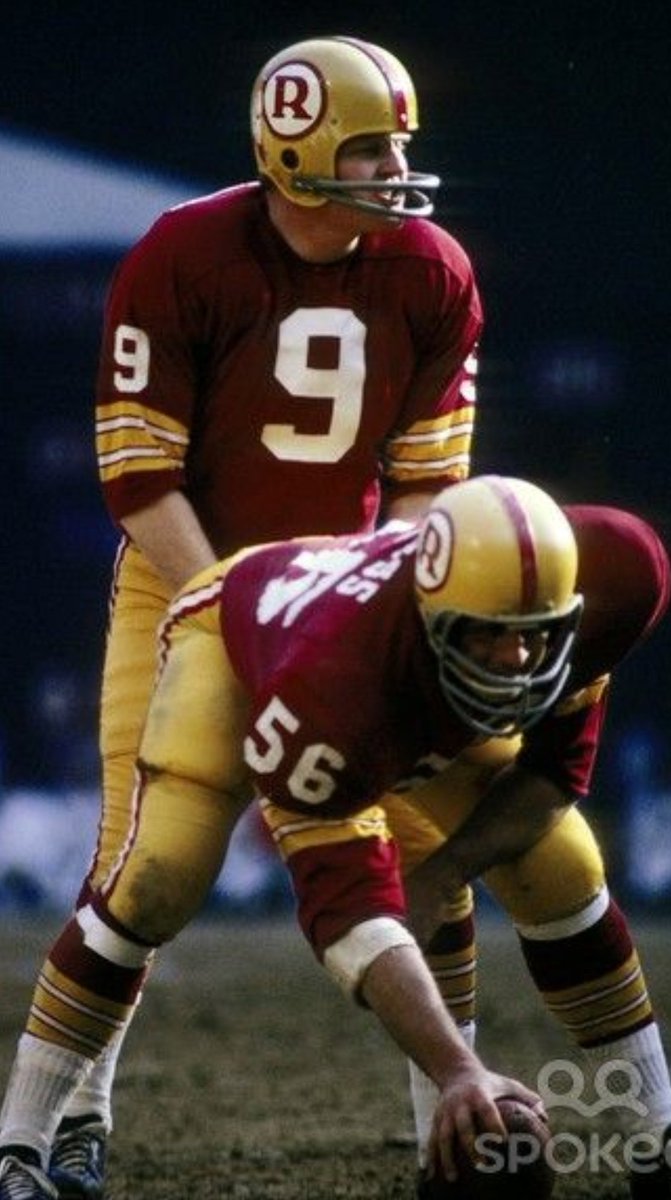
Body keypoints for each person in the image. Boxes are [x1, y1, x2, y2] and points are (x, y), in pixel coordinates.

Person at [48, 32, 482, 1199]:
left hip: (339, 585)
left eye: (399, 144)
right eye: (370, 147)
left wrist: (369, 590)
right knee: (137, 867)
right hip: (179, 576)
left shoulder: (431, 269)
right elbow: (141, 480)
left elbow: (424, 480)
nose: (396, 168)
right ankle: (74, 1114)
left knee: (429, 844)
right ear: (296, 153)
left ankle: (452, 1111)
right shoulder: (184, 254)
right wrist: (225, 609)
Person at [0, 474, 668, 1199]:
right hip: (231, 636)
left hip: (410, 681)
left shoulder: (618, 573)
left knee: (560, 867)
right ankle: (20, 1147)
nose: (515, 664)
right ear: (431, 613)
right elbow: (350, 916)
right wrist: (459, 1071)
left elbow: (550, 776)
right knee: (162, 876)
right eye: (488, 635)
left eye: (535, 635)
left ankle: (656, 1132)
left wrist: (443, 872)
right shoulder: (334, 683)